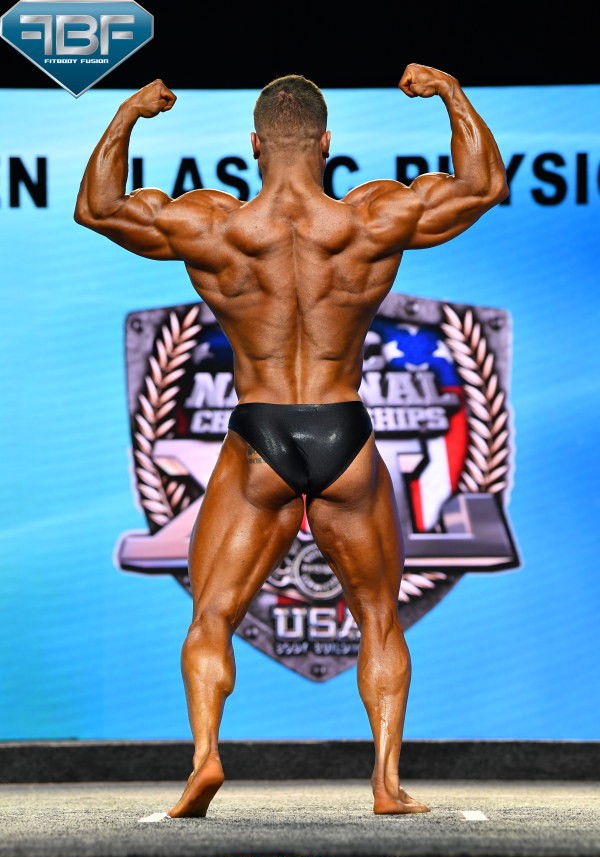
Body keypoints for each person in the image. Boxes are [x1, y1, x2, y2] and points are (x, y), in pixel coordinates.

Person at [74, 64, 508, 817]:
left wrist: (130, 114)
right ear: (327, 142)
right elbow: (482, 185)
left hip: (259, 433)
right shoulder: (370, 219)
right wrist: (450, 92)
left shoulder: (216, 226)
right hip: (344, 430)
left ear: (253, 145)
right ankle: (386, 784)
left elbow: (98, 207)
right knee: (379, 617)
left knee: (212, 615)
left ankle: (206, 759)